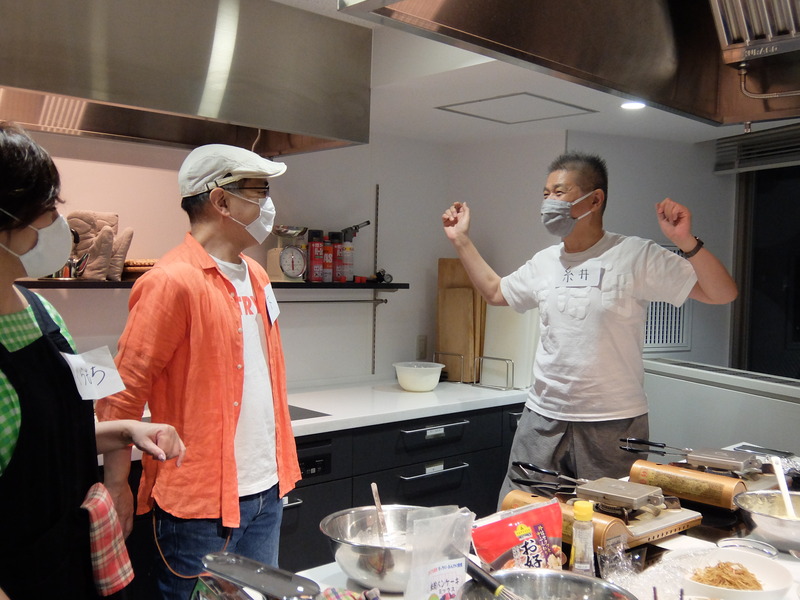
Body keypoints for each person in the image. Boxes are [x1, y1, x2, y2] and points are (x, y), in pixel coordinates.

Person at [441, 151, 738, 503]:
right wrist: (460, 239)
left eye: (559, 192)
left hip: (614, 422)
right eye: (545, 194)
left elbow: (722, 293)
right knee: (520, 517)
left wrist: (686, 241)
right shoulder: (545, 262)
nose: (549, 203)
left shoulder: (635, 255)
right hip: (542, 417)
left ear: (595, 200)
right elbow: (495, 291)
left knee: (609, 521)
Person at [95, 143, 302, 600]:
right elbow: (122, 394)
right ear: (221, 200)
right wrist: (117, 486)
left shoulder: (257, 275)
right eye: (259, 191)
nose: (268, 205)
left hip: (267, 491)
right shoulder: (170, 281)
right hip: (199, 507)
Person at [0, 121, 186, 600]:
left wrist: (127, 431)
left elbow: (61, 431)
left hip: (73, 562)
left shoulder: (42, 311)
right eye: (46, 210)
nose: (58, 224)